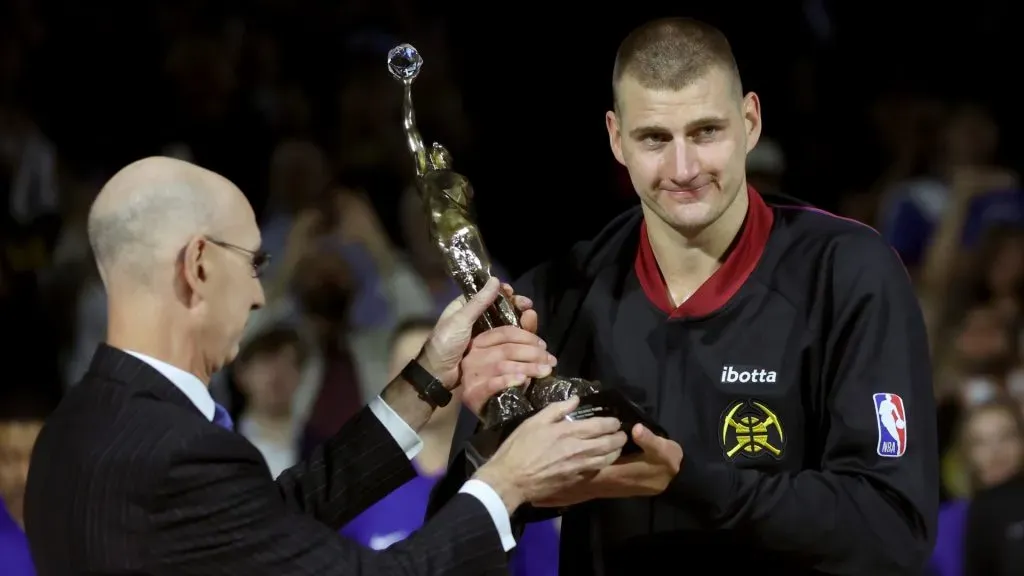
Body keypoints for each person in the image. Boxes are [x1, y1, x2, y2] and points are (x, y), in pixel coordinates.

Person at [433, 17, 938, 575]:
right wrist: (490, 441)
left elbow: (893, 529)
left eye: (706, 132)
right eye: (655, 138)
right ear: (615, 138)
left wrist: (688, 481)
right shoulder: (558, 295)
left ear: (750, 121)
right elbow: (450, 534)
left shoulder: (847, 274)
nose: (683, 169)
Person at [23, 156, 628, 576]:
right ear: (199, 265)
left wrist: (425, 379)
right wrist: (507, 480)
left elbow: (279, 519)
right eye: (255, 263)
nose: (261, 296)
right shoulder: (173, 453)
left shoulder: (70, 433)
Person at [341, 319, 560, 575]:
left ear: (464, 377)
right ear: (389, 377)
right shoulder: (360, 493)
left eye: (437, 369)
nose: (423, 384)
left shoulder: (508, 479)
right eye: (407, 370)